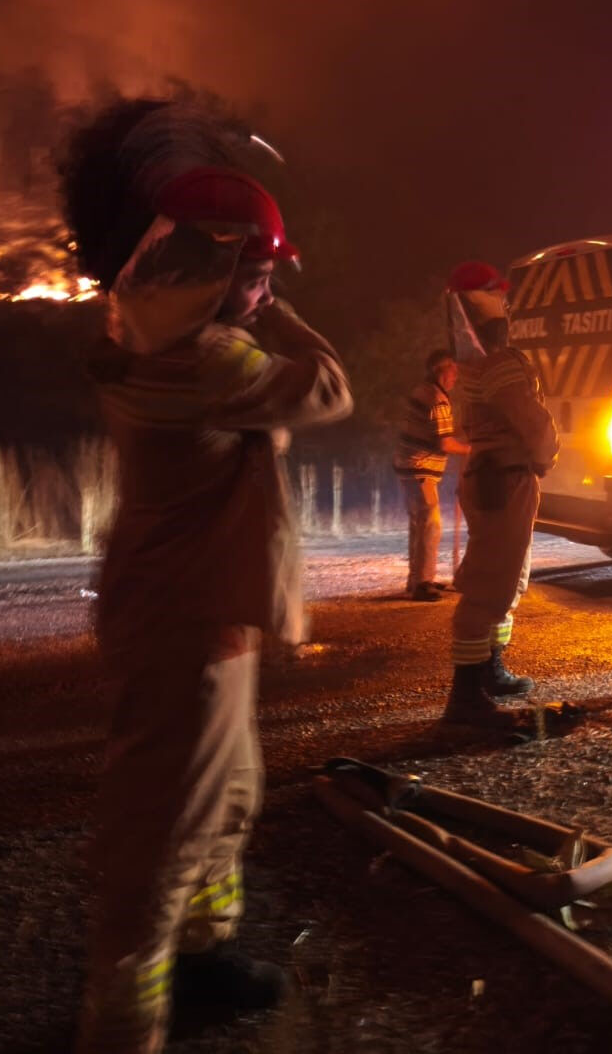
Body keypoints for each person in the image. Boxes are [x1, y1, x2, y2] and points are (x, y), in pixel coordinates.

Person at [76, 165, 353, 1054]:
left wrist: (251, 292)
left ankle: (202, 959)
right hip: (183, 623)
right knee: (162, 830)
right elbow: (330, 387)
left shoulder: (154, 330)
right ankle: (123, 1024)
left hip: (204, 612)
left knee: (229, 795)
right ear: (208, 268)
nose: (268, 289)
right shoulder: (202, 356)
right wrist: (272, 313)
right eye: (257, 271)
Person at [443, 261, 559, 723]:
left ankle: (490, 668)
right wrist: (548, 456)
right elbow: (532, 422)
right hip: (506, 478)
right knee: (490, 584)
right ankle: (467, 696)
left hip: (493, 476)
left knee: (506, 578)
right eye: (501, 298)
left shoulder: (471, 365)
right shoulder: (498, 364)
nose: (507, 306)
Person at [394, 348, 470, 600]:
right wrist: (472, 449)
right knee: (430, 525)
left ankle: (416, 580)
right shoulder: (437, 399)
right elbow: (445, 443)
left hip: (409, 467)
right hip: (420, 469)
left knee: (419, 526)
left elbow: (441, 430)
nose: (455, 375)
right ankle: (422, 583)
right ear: (439, 370)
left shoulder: (423, 392)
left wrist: (463, 429)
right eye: (452, 369)